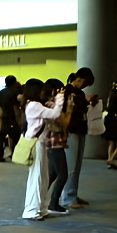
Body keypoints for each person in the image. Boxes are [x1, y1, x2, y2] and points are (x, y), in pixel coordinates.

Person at [20, 79, 64, 220]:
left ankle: (41, 207)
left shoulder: (34, 105)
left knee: (43, 176)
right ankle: (31, 210)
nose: (44, 91)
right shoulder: (33, 105)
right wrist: (60, 98)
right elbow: (55, 114)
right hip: (36, 143)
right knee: (37, 176)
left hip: (40, 143)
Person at [60, 67, 94, 208]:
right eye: (85, 83)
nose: (85, 86)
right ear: (79, 79)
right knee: (71, 166)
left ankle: (72, 194)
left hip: (79, 130)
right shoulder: (67, 92)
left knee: (77, 165)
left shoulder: (78, 93)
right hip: (71, 131)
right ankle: (67, 198)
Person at [43, 78, 73, 214]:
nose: (62, 93)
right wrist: (70, 109)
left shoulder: (48, 104)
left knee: (53, 174)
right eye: (60, 90)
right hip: (54, 143)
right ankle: (53, 204)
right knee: (63, 174)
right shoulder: (51, 105)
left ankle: (41, 199)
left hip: (53, 142)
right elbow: (63, 123)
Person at [0, 75, 21, 161]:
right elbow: (15, 107)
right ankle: (14, 154)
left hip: (1, 117)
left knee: (0, 137)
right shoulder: (14, 93)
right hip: (11, 118)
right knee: (15, 137)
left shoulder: (0, 93)